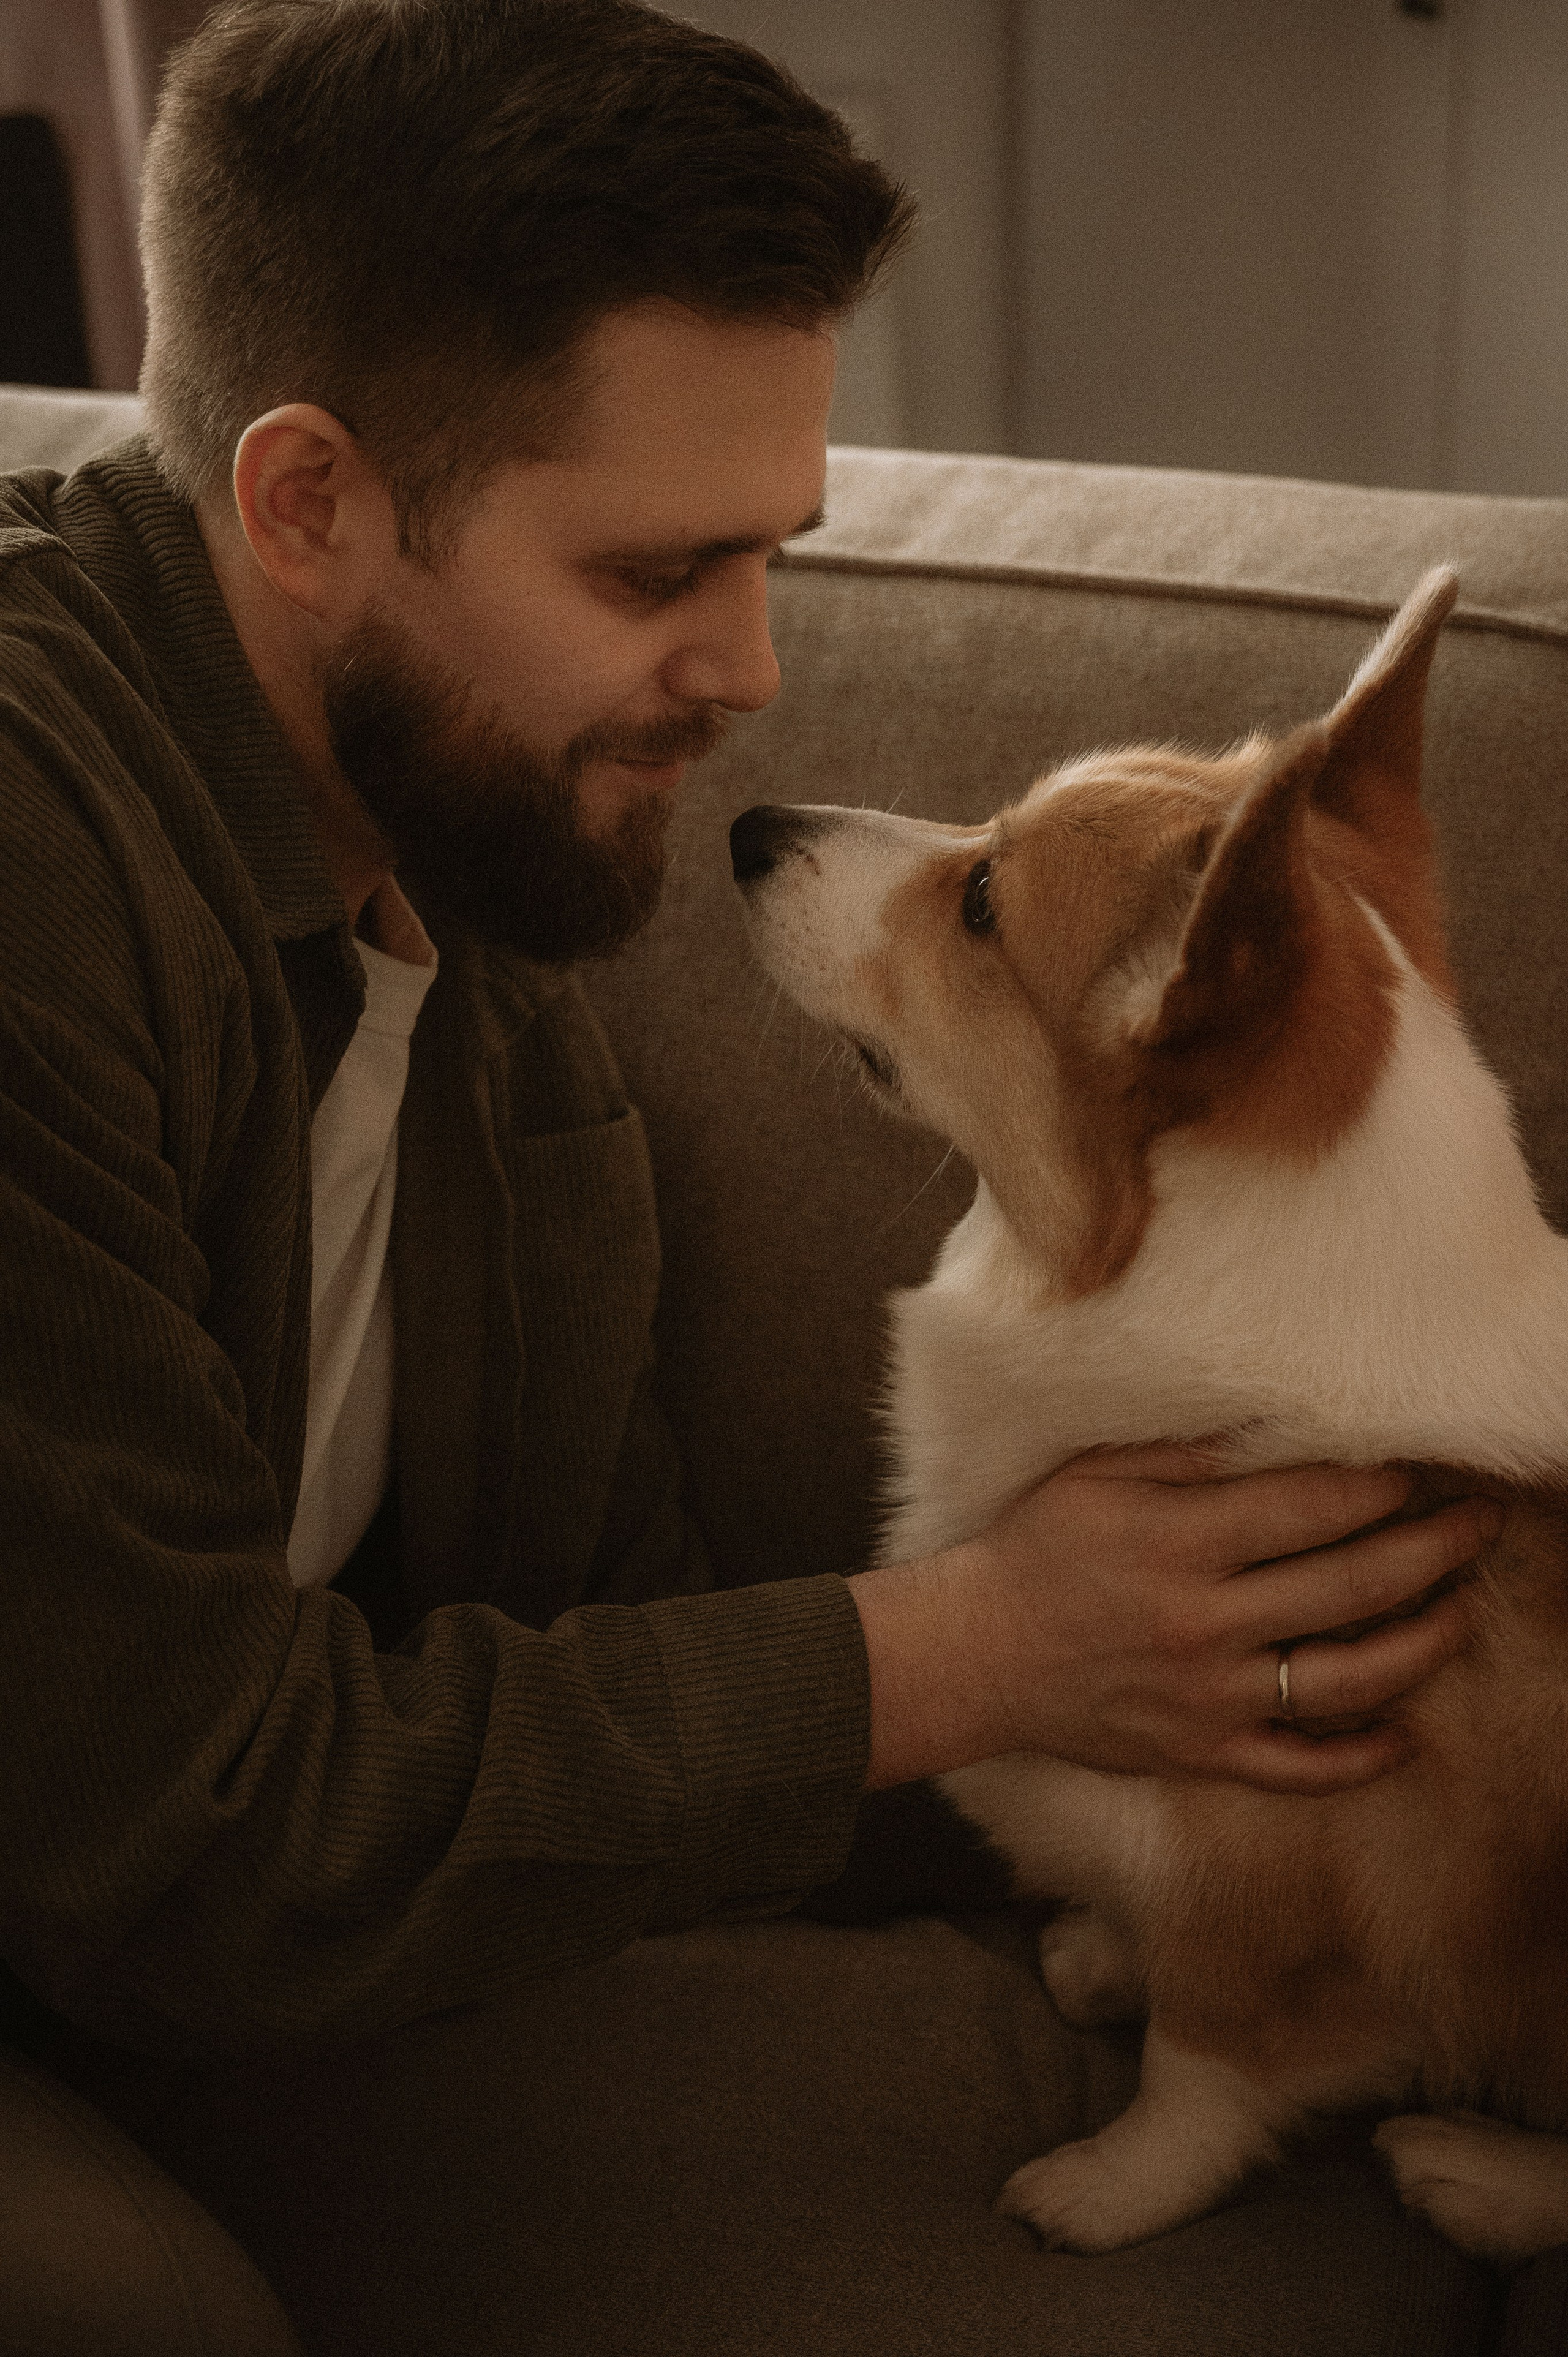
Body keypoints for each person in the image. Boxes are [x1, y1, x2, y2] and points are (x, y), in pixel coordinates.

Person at [0, 0, 1500, 2346]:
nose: (755, 671)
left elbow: (608, 1642)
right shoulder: (42, 870)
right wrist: (991, 1644)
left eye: (775, 555)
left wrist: (1200, 1714)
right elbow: (179, 1840)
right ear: (304, 505)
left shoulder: (471, 856)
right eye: (655, 573)